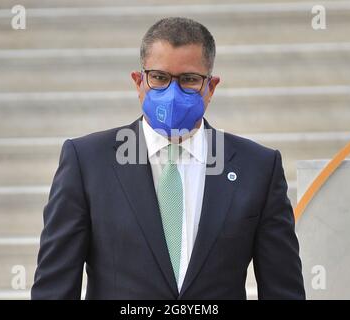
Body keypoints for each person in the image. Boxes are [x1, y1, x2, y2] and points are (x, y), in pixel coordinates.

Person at [31, 17, 305, 300]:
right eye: (159, 78)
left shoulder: (258, 168)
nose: (172, 94)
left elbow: (283, 290)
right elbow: (54, 289)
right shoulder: (87, 162)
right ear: (139, 82)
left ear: (210, 87)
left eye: (189, 80)